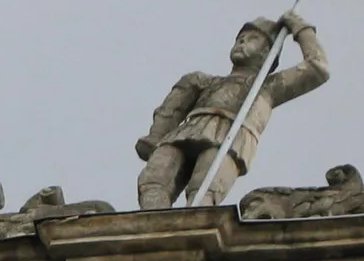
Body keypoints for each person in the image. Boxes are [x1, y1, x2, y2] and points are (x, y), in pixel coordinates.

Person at [136, 12, 329, 209]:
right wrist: (156, 135)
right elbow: (171, 109)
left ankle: (194, 225)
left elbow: (317, 68)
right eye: (240, 39)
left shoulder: (267, 87)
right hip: (188, 129)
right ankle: (151, 226)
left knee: (205, 186)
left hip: (230, 136)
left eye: (252, 39)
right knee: (155, 177)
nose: (242, 43)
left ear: (266, 53)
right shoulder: (202, 81)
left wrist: (300, 28)